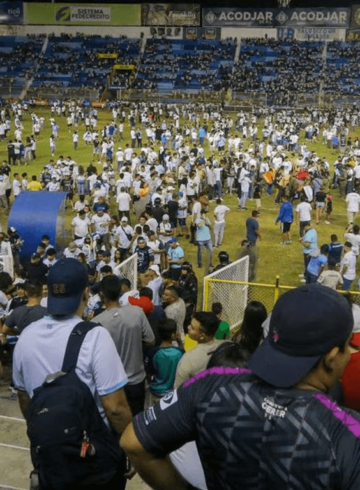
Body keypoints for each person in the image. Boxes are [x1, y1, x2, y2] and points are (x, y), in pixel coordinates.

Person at [121, 284, 360, 490]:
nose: (350, 354)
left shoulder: (213, 382)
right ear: (331, 356)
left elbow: (133, 442)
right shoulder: (348, 433)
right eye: (348, 345)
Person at [13, 259, 132, 490]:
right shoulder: (95, 336)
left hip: (49, 458)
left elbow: (25, 399)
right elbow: (116, 407)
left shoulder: (26, 337)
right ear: (86, 293)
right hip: (94, 460)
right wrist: (131, 447)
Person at [95, 275, 155, 415]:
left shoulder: (97, 322)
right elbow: (151, 340)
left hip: (112, 385)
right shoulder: (136, 312)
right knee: (137, 422)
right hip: (136, 380)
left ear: (102, 294)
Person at [174, 311, 222, 389]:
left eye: (192, 327)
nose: (188, 327)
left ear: (202, 336)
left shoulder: (188, 359)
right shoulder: (224, 347)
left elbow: (179, 392)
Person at [145, 318, 184, 404]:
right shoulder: (179, 352)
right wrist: (179, 341)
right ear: (173, 335)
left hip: (156, 392)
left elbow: (148, 374)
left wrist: (151, 383)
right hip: (173, 393)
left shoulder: (152, 352)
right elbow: (184, 355)